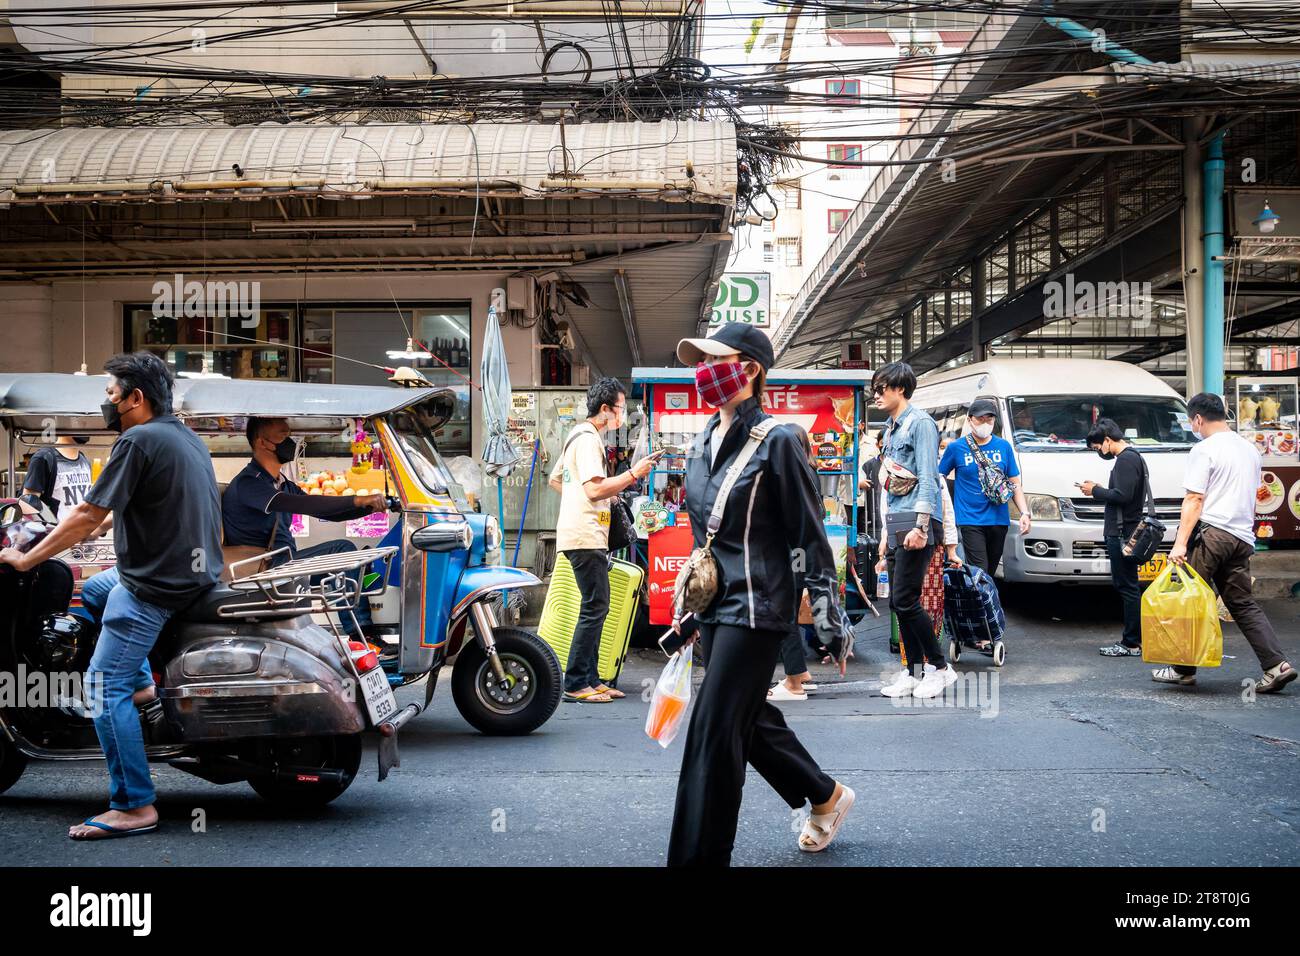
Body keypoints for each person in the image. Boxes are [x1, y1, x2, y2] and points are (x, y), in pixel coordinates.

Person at [0, 352, 224, 841]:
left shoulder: (137, 440)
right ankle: (142, 682)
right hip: (191, 573)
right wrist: (84, 527)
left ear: (135, 398)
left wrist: (26, 559)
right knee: (99, 589)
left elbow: (83, 516)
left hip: (155, 587)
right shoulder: (183, 436)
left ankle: (133, 804)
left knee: (103, 686)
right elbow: (107, 512)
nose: (106, 403)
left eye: (109, 394)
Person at [667, 322, 854, 866]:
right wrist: (688, 608)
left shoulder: (779, 440)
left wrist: (826, 619)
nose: (702, 370)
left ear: (748, 369)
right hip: (714, 608)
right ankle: (826, 797)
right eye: (698, 360)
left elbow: (809, 535)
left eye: (713, 359)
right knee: (745, 719)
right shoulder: (702, 439)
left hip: (759, 608)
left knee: (712, 731)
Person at [1159, 394, 1294, 692]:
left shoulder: (1203, 449)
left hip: (1213, 535)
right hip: (1243, 537)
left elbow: (1194, 498)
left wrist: (1180, 543)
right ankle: (1277, 666)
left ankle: (1182, 669)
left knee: (1188, 599)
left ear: (1197, 419)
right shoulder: (1249, 449)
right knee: (1242, 603)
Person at [222, 417, 389, 636]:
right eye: (283, 435)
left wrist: (371, 507)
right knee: (342, 549)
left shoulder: (282, 483)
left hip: (284, 563)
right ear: (262, 443)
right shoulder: (249, 483)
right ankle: (363, 634)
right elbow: (299, 503)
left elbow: (324, 512)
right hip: (265, 569)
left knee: (349, 560)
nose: (289, 441)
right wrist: (356, 500)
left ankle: (361, 634)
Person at [547, 377, 658, 704]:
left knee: (597, 606)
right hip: (585, 536)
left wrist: (595, 499)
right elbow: (594, 488)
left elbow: (558, 481)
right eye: (622, 408)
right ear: (606, 409)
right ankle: (577, 683)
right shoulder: (589, 439)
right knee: (595, 608)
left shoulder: (575, 437)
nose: (623, 414)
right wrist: (633, 474)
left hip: (581, 533)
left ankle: (592, 679)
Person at [872, 361, 955, 701]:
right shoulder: (892, 427)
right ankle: (912, 671)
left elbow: (929, 479)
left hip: (916, 522)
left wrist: (921, 527)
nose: (876, 395)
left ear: (900, 389)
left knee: (905, 599)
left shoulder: (920, 423)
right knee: (898, 601)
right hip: (897, 521)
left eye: (882, 389)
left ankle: (940, 667)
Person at [938, 399, 1031, 579]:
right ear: (970, 419)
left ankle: (984, 603)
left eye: (990, 419)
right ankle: (982, 606)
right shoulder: (956, 448)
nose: (985, 423)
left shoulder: (1003, 446)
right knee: (979, 570)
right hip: (969, 518)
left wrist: (1025, 513)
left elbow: (1015, 483)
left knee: (990, 570)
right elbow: (939, 479)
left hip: (998, 519)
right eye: (980, 419)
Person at [1080, 418, 1147, 657]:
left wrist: (1094, 491)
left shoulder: (1126, 460)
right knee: (1129, 585)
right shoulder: (1133, 458)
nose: (1099, 451)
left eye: (1098, 447)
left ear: (1107, 440)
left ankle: (1131, 643)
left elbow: (1123, 495)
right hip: (1125, 531)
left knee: (1127, 586)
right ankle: (1134, 640)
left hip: (1122, 533)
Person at [769, 425, 819, 702]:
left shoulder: (795, 473)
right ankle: (800, 673)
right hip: (801, 550)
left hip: (792, 551)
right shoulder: (809, 469)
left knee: (784, 615)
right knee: (787, 611)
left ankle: (794, 684)